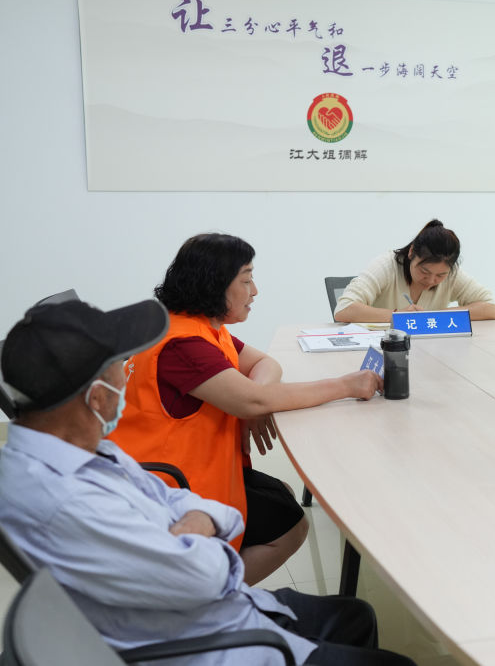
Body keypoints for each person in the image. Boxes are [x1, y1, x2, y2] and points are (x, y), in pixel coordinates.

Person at [0, 298, 414, 666]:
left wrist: (193, 526)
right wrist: (199, 528)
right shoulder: (64, 500)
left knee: (357, 616)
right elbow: (203, 577)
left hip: (216, 609)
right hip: (208, 639)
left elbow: (193, 508)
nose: (127, 378)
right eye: (120, 369)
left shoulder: (79, 449)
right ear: (95, 397)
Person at [110, 233, 383, 585]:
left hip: (178, 467)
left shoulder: (198, 327)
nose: (255, 291)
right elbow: (253, 400)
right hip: (166, 485)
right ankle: (203, 600)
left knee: (281, 496)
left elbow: (265, 366)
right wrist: (346, 385)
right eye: (246, 280)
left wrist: (251, 401)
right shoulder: (184, 346)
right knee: (290, 524)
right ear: (214, 283)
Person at [333, 219, 495, 322]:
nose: (431, 280)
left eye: (441, 275)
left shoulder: (452, 274)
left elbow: (491, 308)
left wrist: (435, 316)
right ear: (412, 252)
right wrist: (399, 316)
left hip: (428, 350)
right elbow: (343, 309)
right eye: (424, 272)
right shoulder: (386, 266)